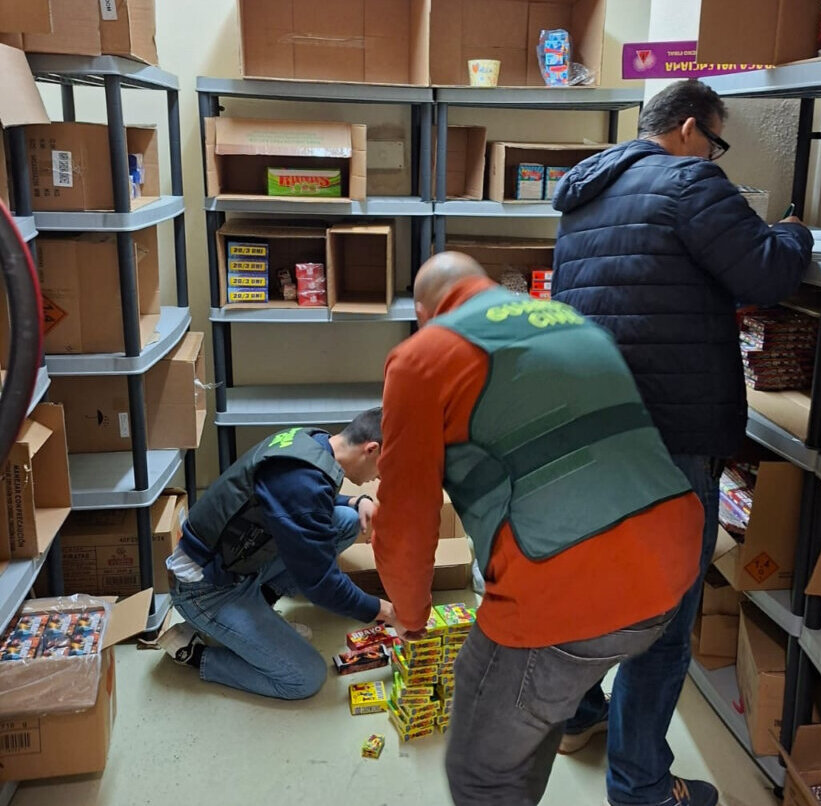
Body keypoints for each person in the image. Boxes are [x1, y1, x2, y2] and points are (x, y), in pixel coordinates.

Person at [552, 79, 814, 806]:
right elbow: (766, 271)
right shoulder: (688, 180)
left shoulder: (587, 191)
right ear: (692, 128)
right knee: (660, 623)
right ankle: (640, 788)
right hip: (662, 435)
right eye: (717, 143)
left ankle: (576, 715)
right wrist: (795, 230)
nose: (715, 156)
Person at [371, 252, 705, 806]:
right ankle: (595, 738)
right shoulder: (574, 322)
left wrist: (411, 615)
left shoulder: (423, 355)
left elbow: (406, 517)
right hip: (672, 568)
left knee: (483, 769)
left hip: (562, 585)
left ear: (425, 313)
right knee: (540, 700)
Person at [158, 409, 394, 700]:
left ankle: (260, 609)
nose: (380, 477)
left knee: (346, 520)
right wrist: (387, 612)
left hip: (236, 562)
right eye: (385, 468)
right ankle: (195, 654)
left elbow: (301, 500)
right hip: (206, 590)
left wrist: (357, 500)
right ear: (372, 449)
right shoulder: (302, 480)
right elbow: (322, 585)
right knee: (305, 678)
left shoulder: (313, 440)